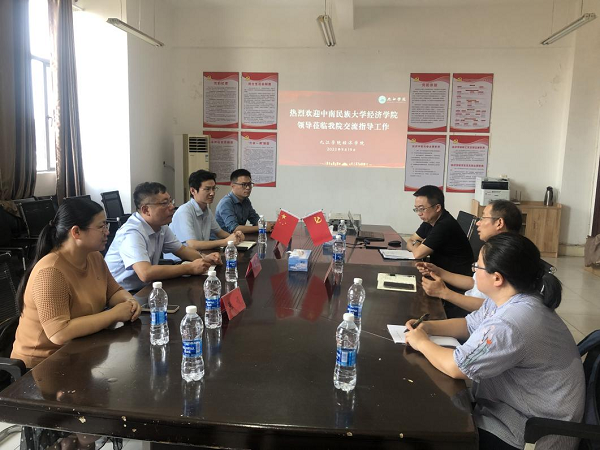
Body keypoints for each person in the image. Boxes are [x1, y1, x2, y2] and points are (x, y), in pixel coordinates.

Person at [405, 233, 584, 450]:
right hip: (516, 408)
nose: (473, 270)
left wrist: (421, 342)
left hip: (531, 431)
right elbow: (469, 324)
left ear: (497, 278)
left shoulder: (511, 322)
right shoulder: (511, 298)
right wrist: (428, 327)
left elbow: (456, 367)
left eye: (477, 266)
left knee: (432, 428)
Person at [11, 198, 141, 368]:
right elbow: (59, 333)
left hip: (80, 352)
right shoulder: (51, 272)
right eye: (101, 226)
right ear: (76, 232)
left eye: (106, 225)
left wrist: (129, 301)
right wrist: (115, 314)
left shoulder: (94, 256)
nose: (107, 232)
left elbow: (114, 292)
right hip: (41, 366)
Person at [105, 182, 218, 292]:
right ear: (146, 210)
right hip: (120, 293)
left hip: (144, 288)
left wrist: (204, 258)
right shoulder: (132, 233)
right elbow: (145, 273)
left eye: (170, 201)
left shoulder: (161, 226)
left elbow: (182, 250)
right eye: (164, 203)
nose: (172, 207)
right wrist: (189, 268)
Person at [417, 199, 522, 312]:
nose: (478, 223)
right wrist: (439, 271)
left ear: (499, 223)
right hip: (467, 302)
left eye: (483, 218)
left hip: (474, 312)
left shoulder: (507, 256)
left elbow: (493, 307)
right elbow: (474, 282)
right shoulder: (493, 248)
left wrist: (444, 293)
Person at [167, 170, 244, 258]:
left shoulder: (206, 210)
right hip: (180, 261)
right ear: (193, 191)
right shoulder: (184, 211)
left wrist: (236, 236)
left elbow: (220, 232)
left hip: (200, 256)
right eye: (207, 189)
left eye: (213, 188)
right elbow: (192, 244)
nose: (212, 193)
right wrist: (225, 241)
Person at [215, 169, 273, 234]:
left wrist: (269, 225)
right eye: (243, 184)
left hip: (239, 237)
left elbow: (255, 219)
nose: (248, 188)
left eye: (249, 184)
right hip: (224, 239)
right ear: (232, 185)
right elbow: (234, 228)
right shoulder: (225, 203)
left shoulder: (245, 200)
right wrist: (262, 227)